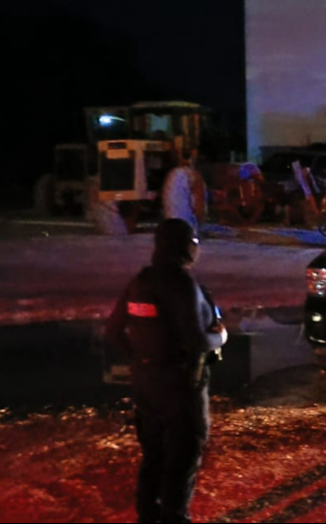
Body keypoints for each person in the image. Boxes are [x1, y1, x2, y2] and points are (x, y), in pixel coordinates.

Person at [106, 219, 226, 524]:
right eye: (194, 242)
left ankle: (148, 515)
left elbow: (114, 330)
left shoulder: (141, 281)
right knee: (183, 452)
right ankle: (174, 516)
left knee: (154, 453)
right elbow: (197, 340)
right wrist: (221, 337)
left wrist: (144, 358)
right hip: (180, 383)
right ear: (186, 246)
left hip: (146, 382)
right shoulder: (181, 282)